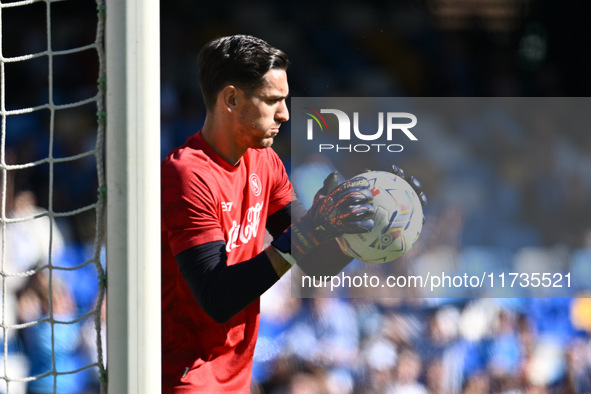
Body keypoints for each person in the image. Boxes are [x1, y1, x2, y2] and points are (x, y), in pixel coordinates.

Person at [160, 34, 375, 392]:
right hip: (186, 376)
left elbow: (315, 262)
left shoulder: (266, 161)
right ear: (231, 98)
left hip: (239, 375)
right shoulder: (186, 175)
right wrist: (304, 236)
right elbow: (217, 298)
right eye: (272, 100)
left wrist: (352, 235)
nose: (285, 114)